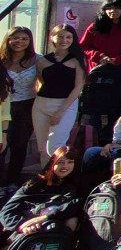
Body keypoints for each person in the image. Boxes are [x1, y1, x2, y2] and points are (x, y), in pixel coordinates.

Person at [1, 145, 82, 237]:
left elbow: (78, 204)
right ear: (52, 164)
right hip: (29, 224)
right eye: (60, 162)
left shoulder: (77, 183)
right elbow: (6, 211)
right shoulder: (35, 184)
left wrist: (46, 217)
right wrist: (22, 225)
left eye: (70, 162)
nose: (65, 166)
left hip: (55, 223)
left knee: (72, 221)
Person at [33, 24, 86, 164]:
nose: (64, 40)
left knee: (55, 147)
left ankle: (59, 178)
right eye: (60, 36)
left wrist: (61, 110)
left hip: (65, 105)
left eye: (68, 37)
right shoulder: (42, 60)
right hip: (41, 104)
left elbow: (78, 86)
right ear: (52, 38)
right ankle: (45, 181)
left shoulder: (78, 60)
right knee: (42, 147)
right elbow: (40, 82)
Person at [1, 27, 39, 185]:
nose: (19, 42)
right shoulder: (1, 59)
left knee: (19, 144)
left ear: (30, 41)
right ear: (8, 40)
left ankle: (13, 182)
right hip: (3, 107)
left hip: (26, 106)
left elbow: (45, 83)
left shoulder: (38, 60)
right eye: (15, 38)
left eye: (24, 38)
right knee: (2, 144)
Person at [79, 0, 121, 73]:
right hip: (96, 70)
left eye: (117, 8)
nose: (113, 11)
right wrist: (99, 56)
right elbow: (83, 47)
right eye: (109, 8)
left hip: (119, 71)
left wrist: (116, 60)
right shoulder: (95, 27)